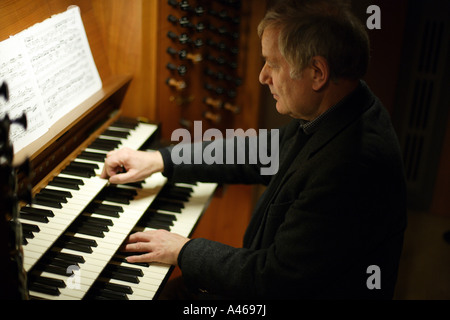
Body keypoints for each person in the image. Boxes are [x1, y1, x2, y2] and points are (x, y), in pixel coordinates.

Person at [101, 0, 407, 299]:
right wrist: (160, 159)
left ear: (317, 73)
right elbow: (261, 151)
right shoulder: (339, 110)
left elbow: (275, 280)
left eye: (273, 64)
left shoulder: (349, 166)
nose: (263, 76)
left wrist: (183, 249)